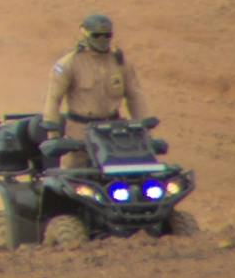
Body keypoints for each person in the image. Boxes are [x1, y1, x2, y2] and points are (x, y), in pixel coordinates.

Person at [41, 13, 152, 167]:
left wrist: (145, 127)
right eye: (96, 35)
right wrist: (53, 134)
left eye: (107, 35)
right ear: (85, 34)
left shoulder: (120, 63)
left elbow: (135, 96)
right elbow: (53, 98)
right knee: (74, 172)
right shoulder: (69, 63)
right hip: (80, 133)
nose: (102, 39)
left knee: (127, 171)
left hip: (113, 131)